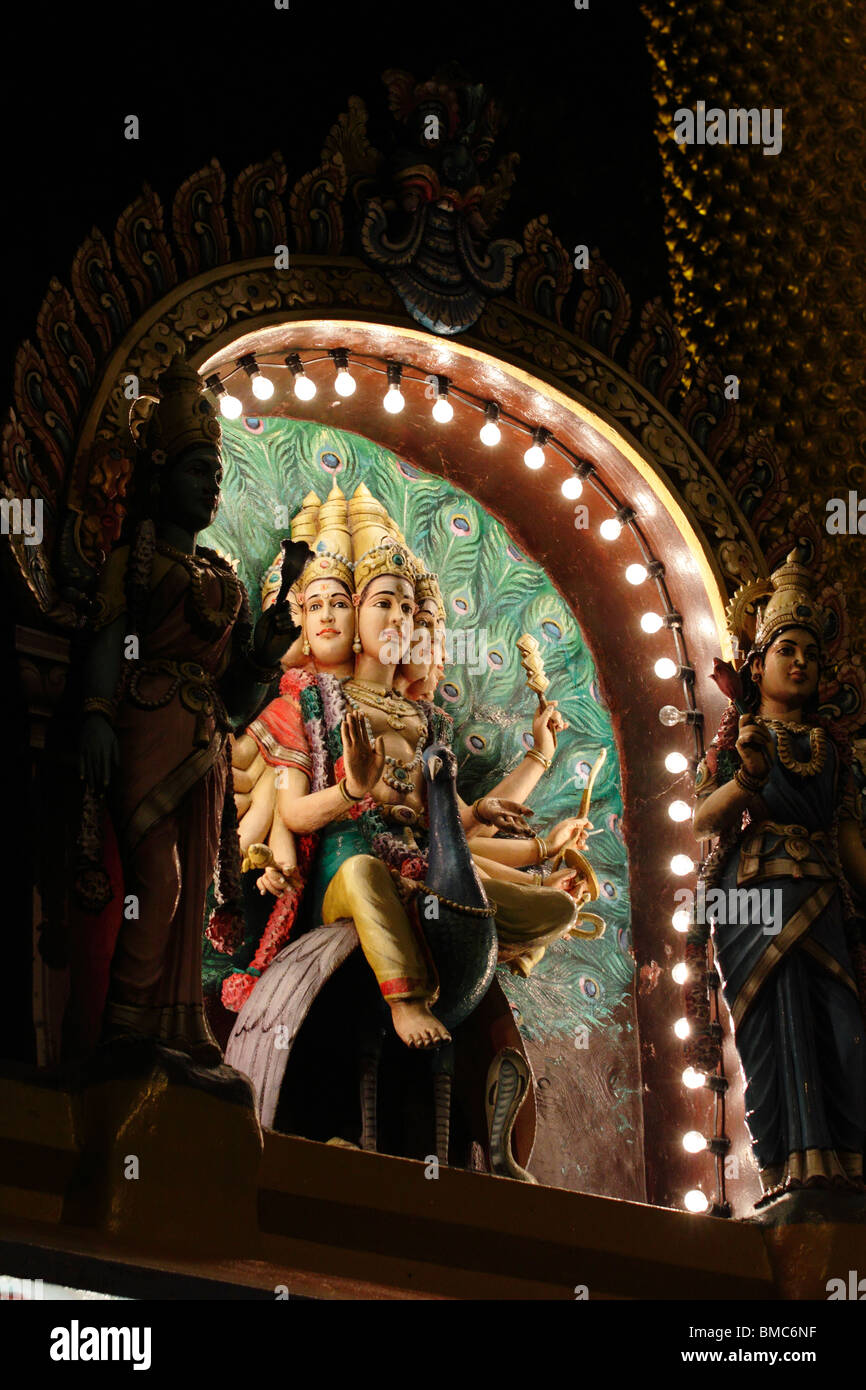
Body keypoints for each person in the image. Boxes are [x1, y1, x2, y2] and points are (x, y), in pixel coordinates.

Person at [77, 358, 303, 1064]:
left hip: (205, 744)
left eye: (217, 475)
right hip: (146, 728)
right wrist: (94, 713)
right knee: (161, 881)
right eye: (196, 470)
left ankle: (177, 1027)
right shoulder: (135, 563)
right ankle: (123, 1024)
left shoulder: (222, 578)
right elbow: (113, 641)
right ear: (160, 475)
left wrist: (267, 644)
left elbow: (237, 701)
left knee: (195, 897)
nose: (211, 486)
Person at [690, 550, 866, 1203]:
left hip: (821, 897)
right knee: (768, 1034)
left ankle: (845, 1169)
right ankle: (784, 1175)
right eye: (785, 649)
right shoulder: (742, 735)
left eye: (812, 656)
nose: (799, 662)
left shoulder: (831, 752)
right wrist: (745, 780)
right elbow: (703, 820)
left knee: (845, 1037)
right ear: (755, 665)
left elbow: (847, 838)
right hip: (751, 900)